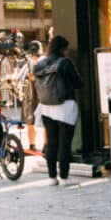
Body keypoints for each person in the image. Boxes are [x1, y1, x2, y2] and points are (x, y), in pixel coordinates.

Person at [31, 35, 82, 184]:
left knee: (52, 143)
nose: (67, 52)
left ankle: (52, 177)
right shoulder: (65, 63)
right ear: (63, 49)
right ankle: (64, 177)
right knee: (65, 144)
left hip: (45, 107)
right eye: (66, 48)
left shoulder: (40, 64)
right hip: (65, 106)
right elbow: (79, 83)